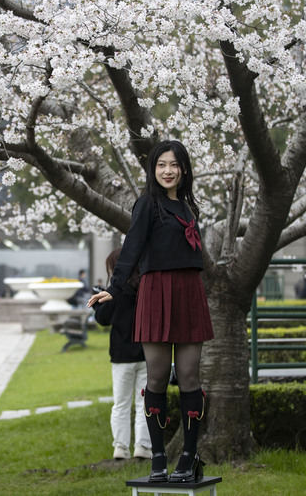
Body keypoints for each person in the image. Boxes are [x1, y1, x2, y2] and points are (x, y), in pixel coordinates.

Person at [88, 140, 214, 484]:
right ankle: (158, 460)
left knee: (189, 377)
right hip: (156, 293)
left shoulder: (190, 209)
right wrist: (113, 289)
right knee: (156, 378)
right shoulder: (147, 205)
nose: (167, 171)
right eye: (161, 165)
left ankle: (188, 457)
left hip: (189, 295)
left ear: (184, 169)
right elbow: (131, 248)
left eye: (174, 165)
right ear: (153, 169)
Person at [92, 248, 151, 461]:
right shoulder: (146, 288)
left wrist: (97, 301)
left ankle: (121, 448)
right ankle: (143, 446)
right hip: (146, 353)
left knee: (121, 404)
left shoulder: (114, 291)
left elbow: (103, 319)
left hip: (121, 356)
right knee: (144, 403)